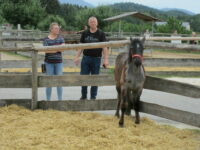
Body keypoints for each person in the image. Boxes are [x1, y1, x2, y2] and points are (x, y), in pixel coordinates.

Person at [74, 16, 109, 100]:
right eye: (91, 22)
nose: (92, 23)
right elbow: (80, 46)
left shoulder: (101, 34)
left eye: (94, 21)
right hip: (86, 58)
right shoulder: (85, 33)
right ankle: (84, 96)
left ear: (97, 23)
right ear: (88, 23)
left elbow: (105, 48)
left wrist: (105, 60)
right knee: (83, 77)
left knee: (95, 78)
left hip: (96, 59)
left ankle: (93, 97)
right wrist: (76, 57)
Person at [43, 22, 65, 100]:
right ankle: (48, 100)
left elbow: (63, 49)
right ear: (51, 29)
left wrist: (52, 48)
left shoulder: (61, 38)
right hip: (49, 63)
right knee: (49, 82)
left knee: (59, 81)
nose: (58, 29)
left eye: (58, 28)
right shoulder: (46, 39)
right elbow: (47, 51)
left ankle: (60, 100)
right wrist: (57, 48)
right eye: (56, 28)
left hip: (59, 62)